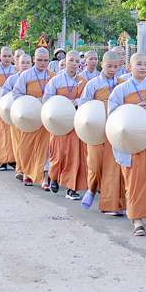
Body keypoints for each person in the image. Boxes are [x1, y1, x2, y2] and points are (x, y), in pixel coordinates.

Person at [107, 52, 146, 236]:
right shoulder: (121, 89)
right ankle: (137, 219)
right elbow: (113, 114)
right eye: (139, 64)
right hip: (132, 142)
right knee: (134, 180)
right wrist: (131, 111)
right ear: (130, 67)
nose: (143, 67)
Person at [77, 51, 127, 216]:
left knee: (114, 167)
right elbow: (84, 106)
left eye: (115, 67)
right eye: (109, 66)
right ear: (102, 65)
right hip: (97, 129)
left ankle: (114, 205)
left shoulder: (122, 84)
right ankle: (92, 188)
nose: (112, 70)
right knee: (95, 164)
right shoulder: (92, 84)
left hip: (115, 129)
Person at [42, 50, 87, 197]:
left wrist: (76, 101)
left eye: (77, 61)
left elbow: (88, 100)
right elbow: (47, 99)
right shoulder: (55, 80)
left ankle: (71, 188)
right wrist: (62, 103)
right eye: (71, 60)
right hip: (59, 123)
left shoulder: (83, 81)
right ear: (65, 61)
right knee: (58, 153)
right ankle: (54, 176)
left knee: (74, 154)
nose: (74, 64)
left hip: (75, 122)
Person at [12, 48, 56, 186]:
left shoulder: (53, 76)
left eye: (46, 60)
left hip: (46, 116)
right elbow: (16, 94)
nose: (43, 63)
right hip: (30, 116)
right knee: (27, 146)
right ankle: (26, 173)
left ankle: (44, 177)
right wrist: (33, 100)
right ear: (34, 59)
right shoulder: (26, 75)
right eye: (39, 60)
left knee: (46, 148)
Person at [2, 54, 31, 179]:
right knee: (18, 143)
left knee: (29, 144)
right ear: (17, 64)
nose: (25, 65)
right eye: (23, 62)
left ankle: (29, 169)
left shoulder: (34, 78)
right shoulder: (12, 79)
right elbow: (5, 95)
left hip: (32, 115)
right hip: (17, 114)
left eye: (28, 63)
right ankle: (20, 169)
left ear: (31, 64)